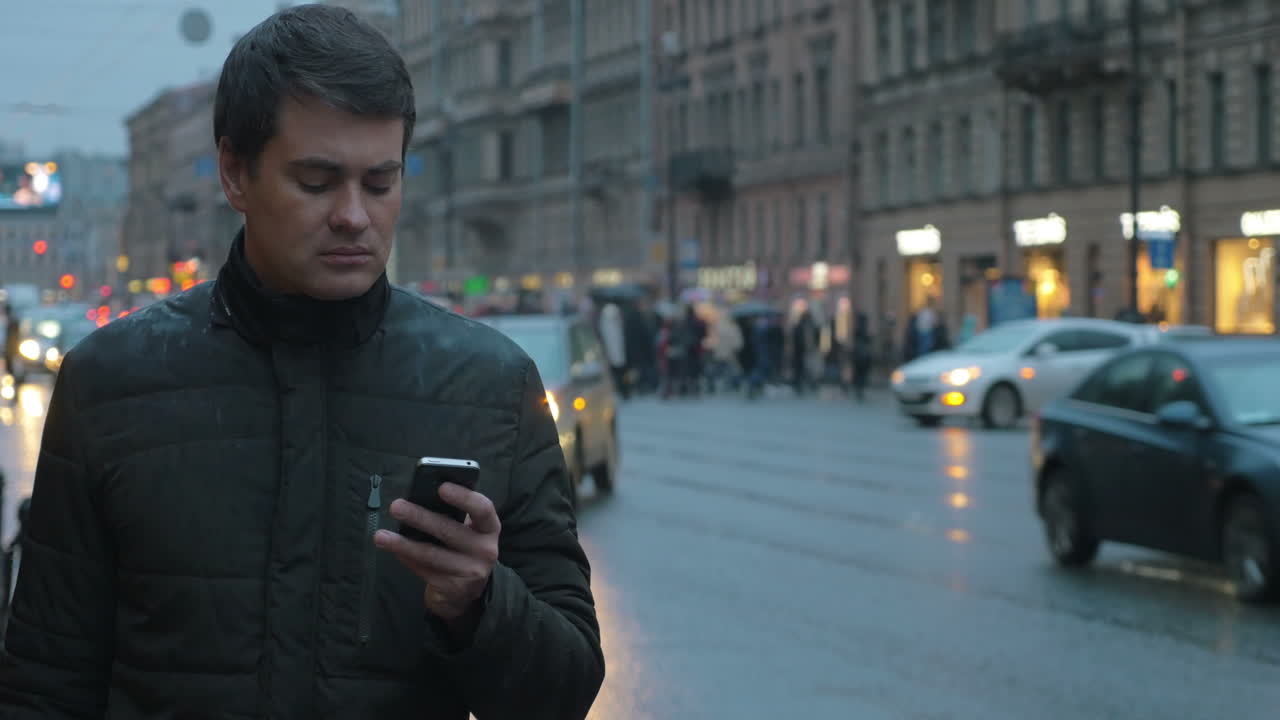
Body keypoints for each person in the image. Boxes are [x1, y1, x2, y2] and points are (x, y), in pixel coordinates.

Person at [0, 7, 603, 719]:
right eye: (317, 182)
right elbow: (46, 682)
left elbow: (564, 690)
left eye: (380, 184)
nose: (354, 215)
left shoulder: (491, 388)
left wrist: (479, 601)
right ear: (235, 173)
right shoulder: (110, 382)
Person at [598, 301, 628, 399]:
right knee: (617, 375)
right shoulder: (606, 327)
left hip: (620, 355)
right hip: (612, 356)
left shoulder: (617, 326)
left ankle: (625, 391)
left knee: (622, 374)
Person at [851, 311, 873, 403]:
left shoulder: (858, 330)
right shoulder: (862, 330)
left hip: (859, 355)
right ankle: (860, 388)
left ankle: (859, 388)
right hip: (862, 355)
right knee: (861, 373)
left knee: (859, 373)